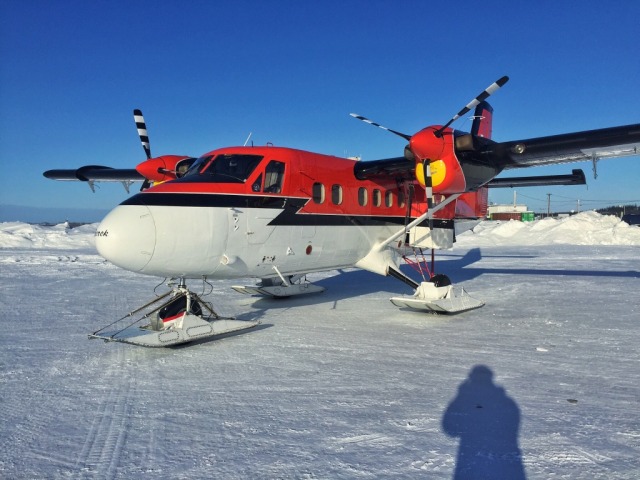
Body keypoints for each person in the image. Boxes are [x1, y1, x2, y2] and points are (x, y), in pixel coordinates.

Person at [442, 365, 526, 479]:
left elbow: (449, 429)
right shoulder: (508, 402)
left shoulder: (464, 399)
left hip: (471, 453)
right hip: (502, 455)